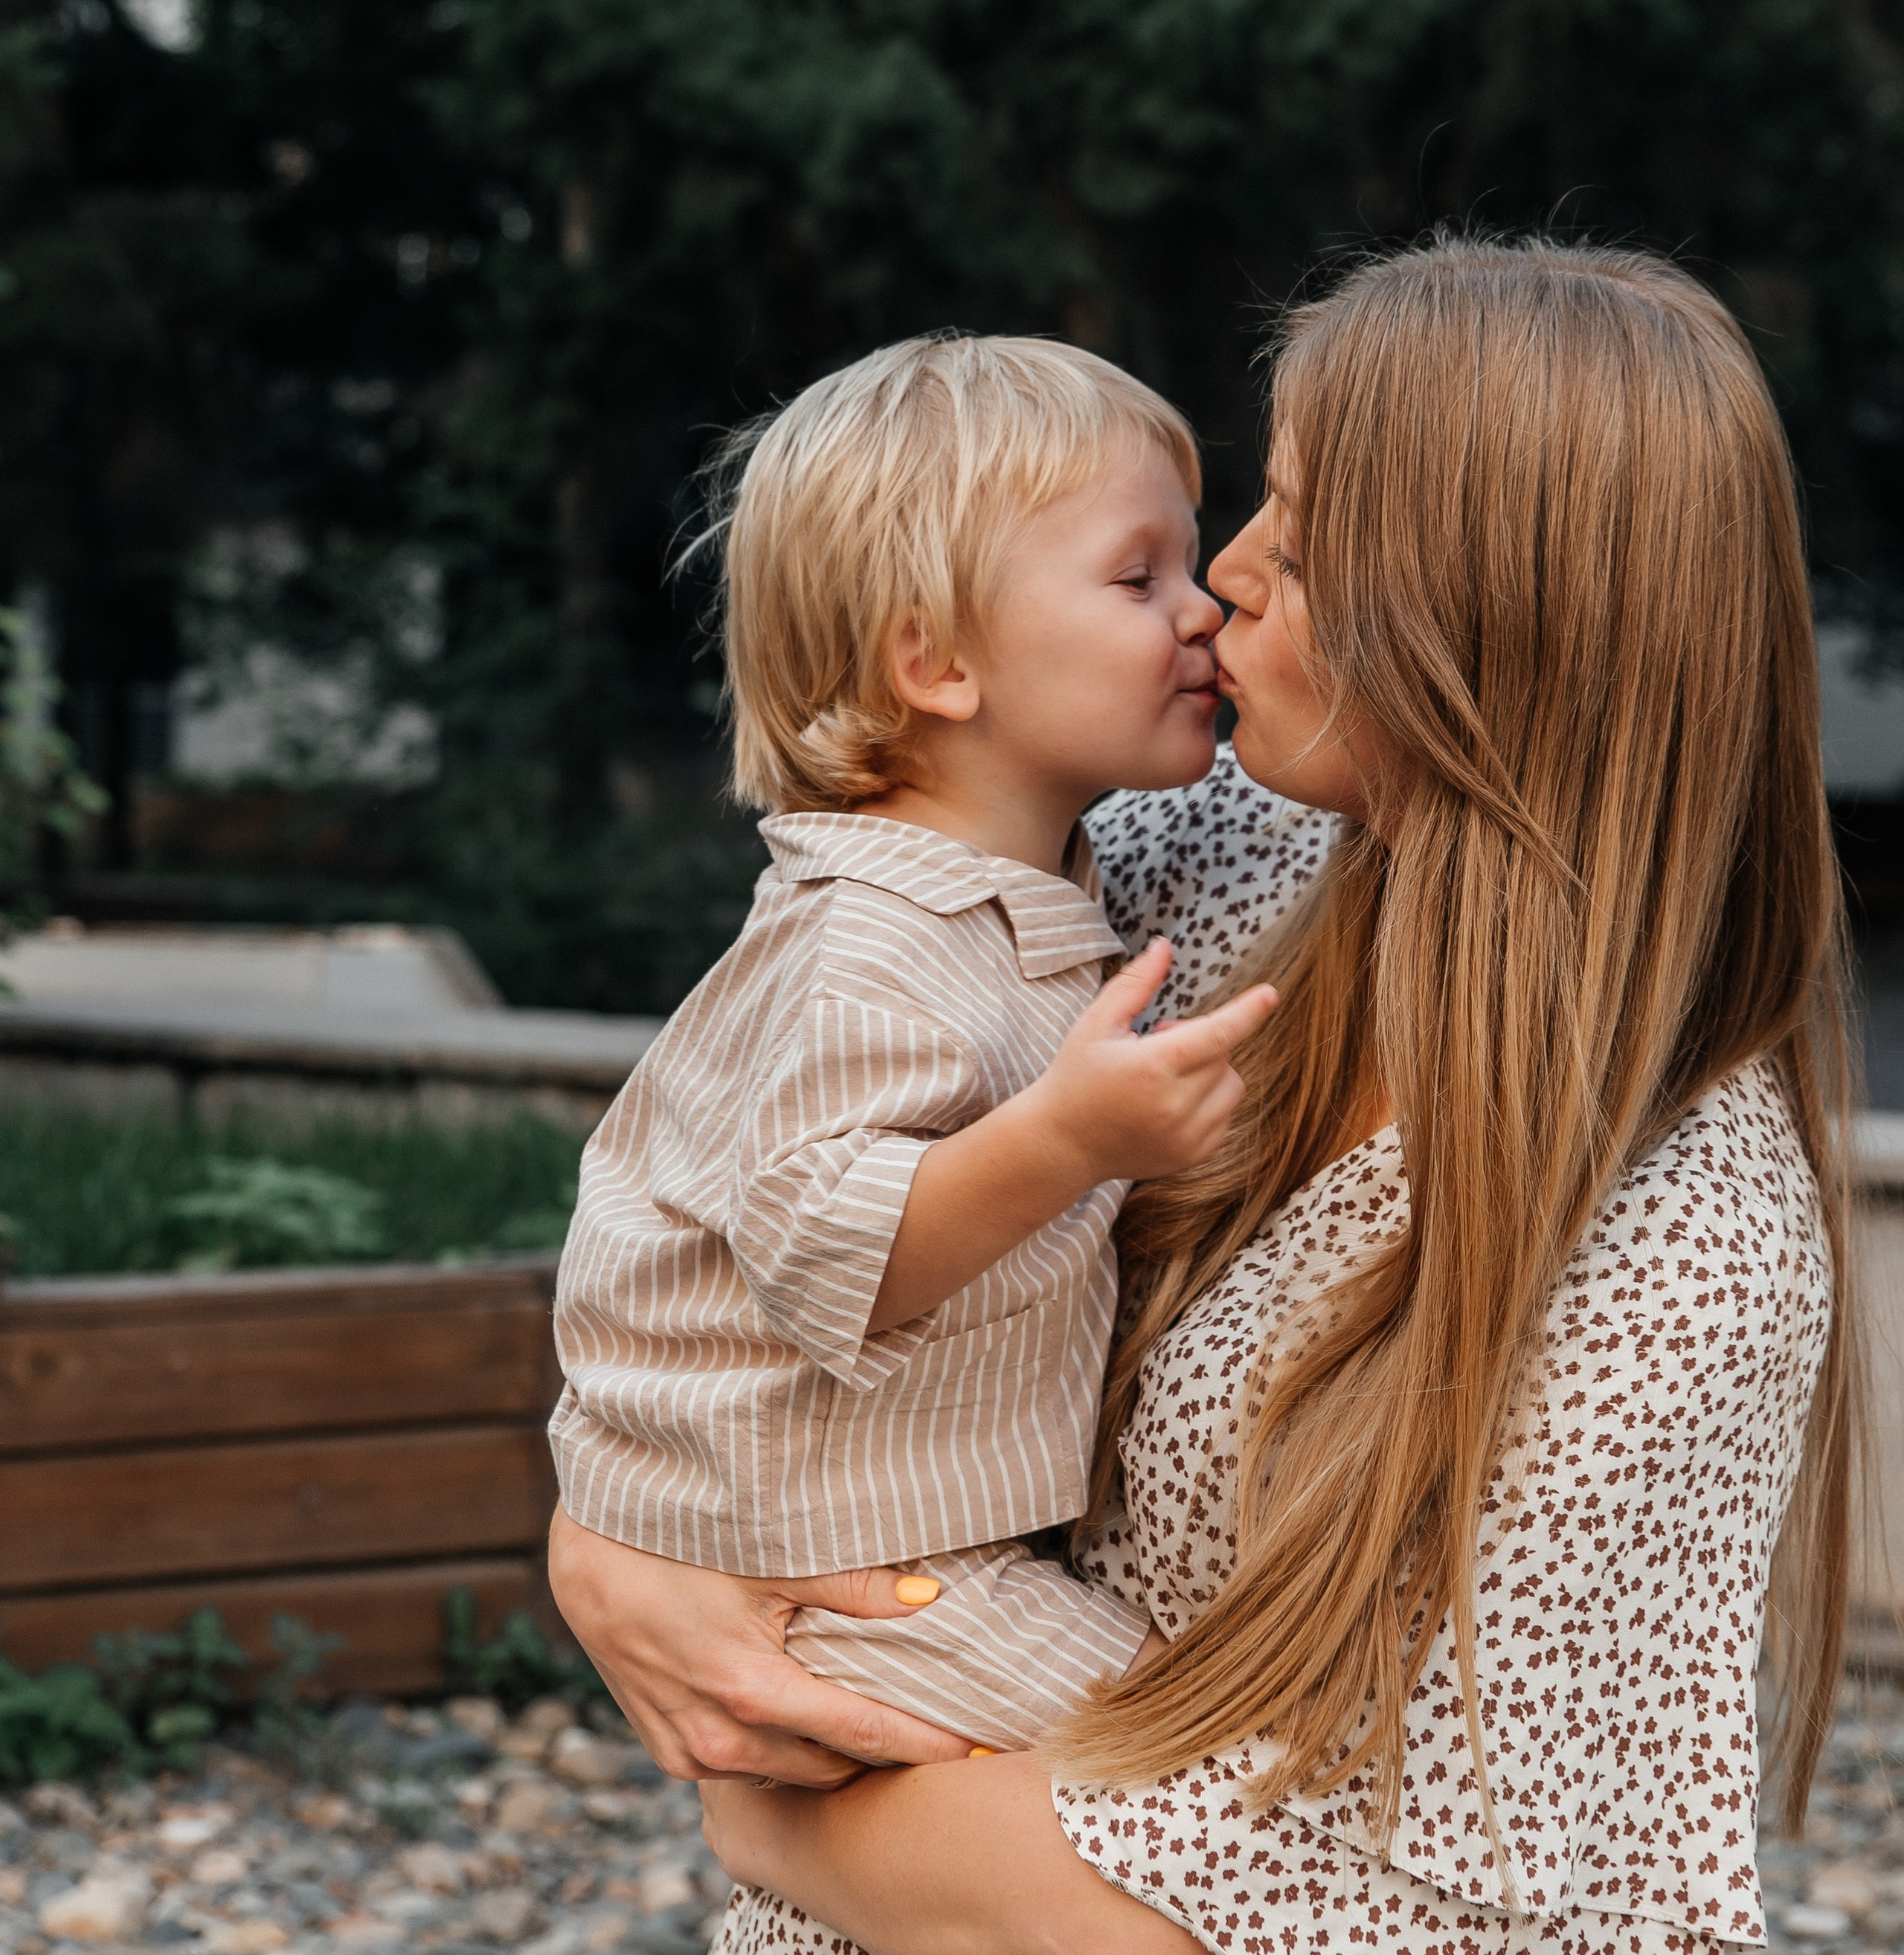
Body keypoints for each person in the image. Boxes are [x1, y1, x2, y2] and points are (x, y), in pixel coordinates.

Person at [550, 237, 1853, 1955]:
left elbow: (1348, 1924)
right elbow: (748, 1156)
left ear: (1481, 631)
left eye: (1293, 546)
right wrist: (609, 1540)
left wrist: (766, 1804)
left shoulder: (1675, 1258)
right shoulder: (1193, 871)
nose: (1223, 581)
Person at [550, 333, 1285, 1785]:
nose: (1204, 610)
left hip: (872, 1539)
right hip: (844, 1566)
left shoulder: (1023, 891)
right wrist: (1069, 1141)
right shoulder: (870, 942)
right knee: (1210, 1775)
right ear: (933, 662)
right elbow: (827, 1246)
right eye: (1137, 578)